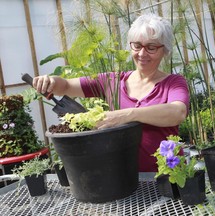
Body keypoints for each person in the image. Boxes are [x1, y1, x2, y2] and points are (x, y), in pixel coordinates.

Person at [33, 14, 190, 172]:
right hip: (122, 178)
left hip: (168, 176)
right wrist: (52, 81)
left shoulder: (173, 83)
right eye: (137, 46)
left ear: (165, 50)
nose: (142, 54)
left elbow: (178, 112)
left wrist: (126, 115)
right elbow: (66, 86)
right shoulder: (112, 81)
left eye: (151, 47)